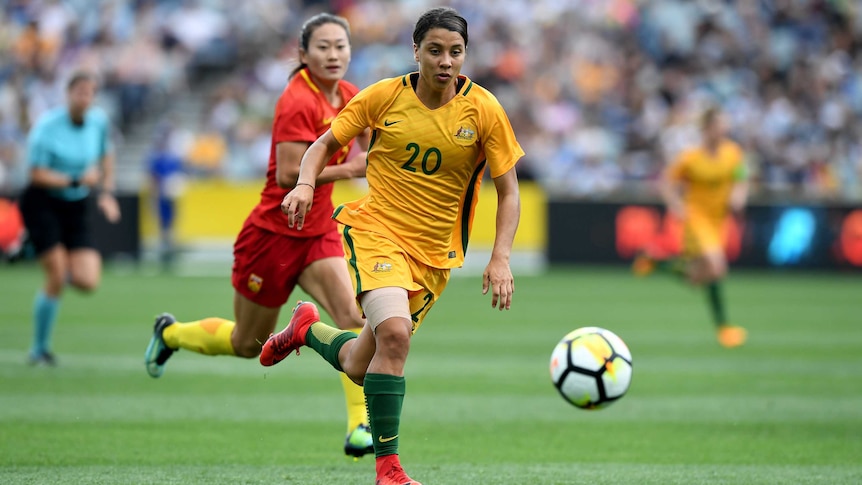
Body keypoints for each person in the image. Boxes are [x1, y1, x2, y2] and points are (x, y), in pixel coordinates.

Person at [262, 7, 523, 485]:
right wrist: (303, 184)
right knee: (396, 336)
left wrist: (500, 256)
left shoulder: (484, 109)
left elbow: (509, 190)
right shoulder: (383, 96)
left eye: (456, 52)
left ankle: (306, 330)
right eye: (436, 50)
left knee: (361, 364)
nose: (446, 61)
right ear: (416, 51)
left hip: (434, 257)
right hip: (377, 231)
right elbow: (321, 145)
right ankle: (390, 471)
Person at [143, 13, 376, 458]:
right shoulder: (296, 100)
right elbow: (291, 174)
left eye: (340, 46)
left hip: (318, 232)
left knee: (354, 318)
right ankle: (171, 334)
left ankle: (358, 427)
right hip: (273, 235)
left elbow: (368, 140)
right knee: (246, 345)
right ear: (304, 55)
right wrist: (352, 168)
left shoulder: (350, 96)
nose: (333, 54)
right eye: (323, 47)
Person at [19, 71, 121, 365]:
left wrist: (107, 192)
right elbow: (36, 173)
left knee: (88, 281)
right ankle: (39, 349)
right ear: (68, 94)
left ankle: (33, 251)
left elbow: (107, 156)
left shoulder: (98, 122)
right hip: (43, 203)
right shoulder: (47, 127)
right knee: (56, 276)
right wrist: (76, 180)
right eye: (79, 92)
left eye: (90, 93)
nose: (84, 98)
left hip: (76, 206)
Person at [633, 106, 749, 348]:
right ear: (707, 129)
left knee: (697, 278)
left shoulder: (733, 153)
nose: (724, 129)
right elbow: (666, 182)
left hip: (720, 221)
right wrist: (676, 205)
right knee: (717, 267)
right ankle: (724, 328)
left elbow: (741, 177)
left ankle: (656, 263)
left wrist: (739, 195)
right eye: (719, 125)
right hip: (697, 219)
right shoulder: (690, 158)